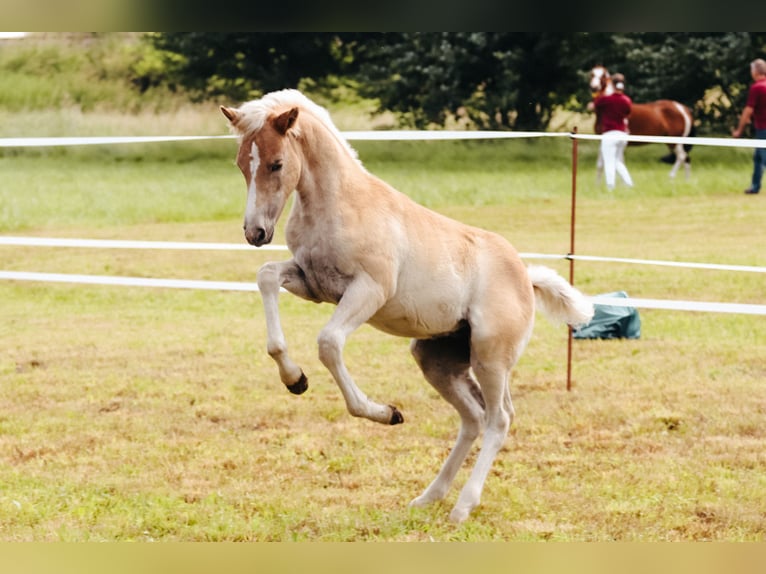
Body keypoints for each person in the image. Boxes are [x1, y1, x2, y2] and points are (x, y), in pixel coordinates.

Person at [589, 72, 634, 191]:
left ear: (612, 85)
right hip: (622, 134)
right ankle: (628, 183)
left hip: (609, 134)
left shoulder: (605, 100)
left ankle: (611, 186)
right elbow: (628, 113)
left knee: (609, 161)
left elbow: (594, 104)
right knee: (617, 160)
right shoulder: (627, 100)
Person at [732, 58, 766, 195]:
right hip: (760, 128)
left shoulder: (757, 88)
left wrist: (739, 130)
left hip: (763, 128)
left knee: (763, 157)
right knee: (758, 157)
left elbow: (748, 110)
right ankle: (755, 186)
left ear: (755, 71)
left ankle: (755, 186)